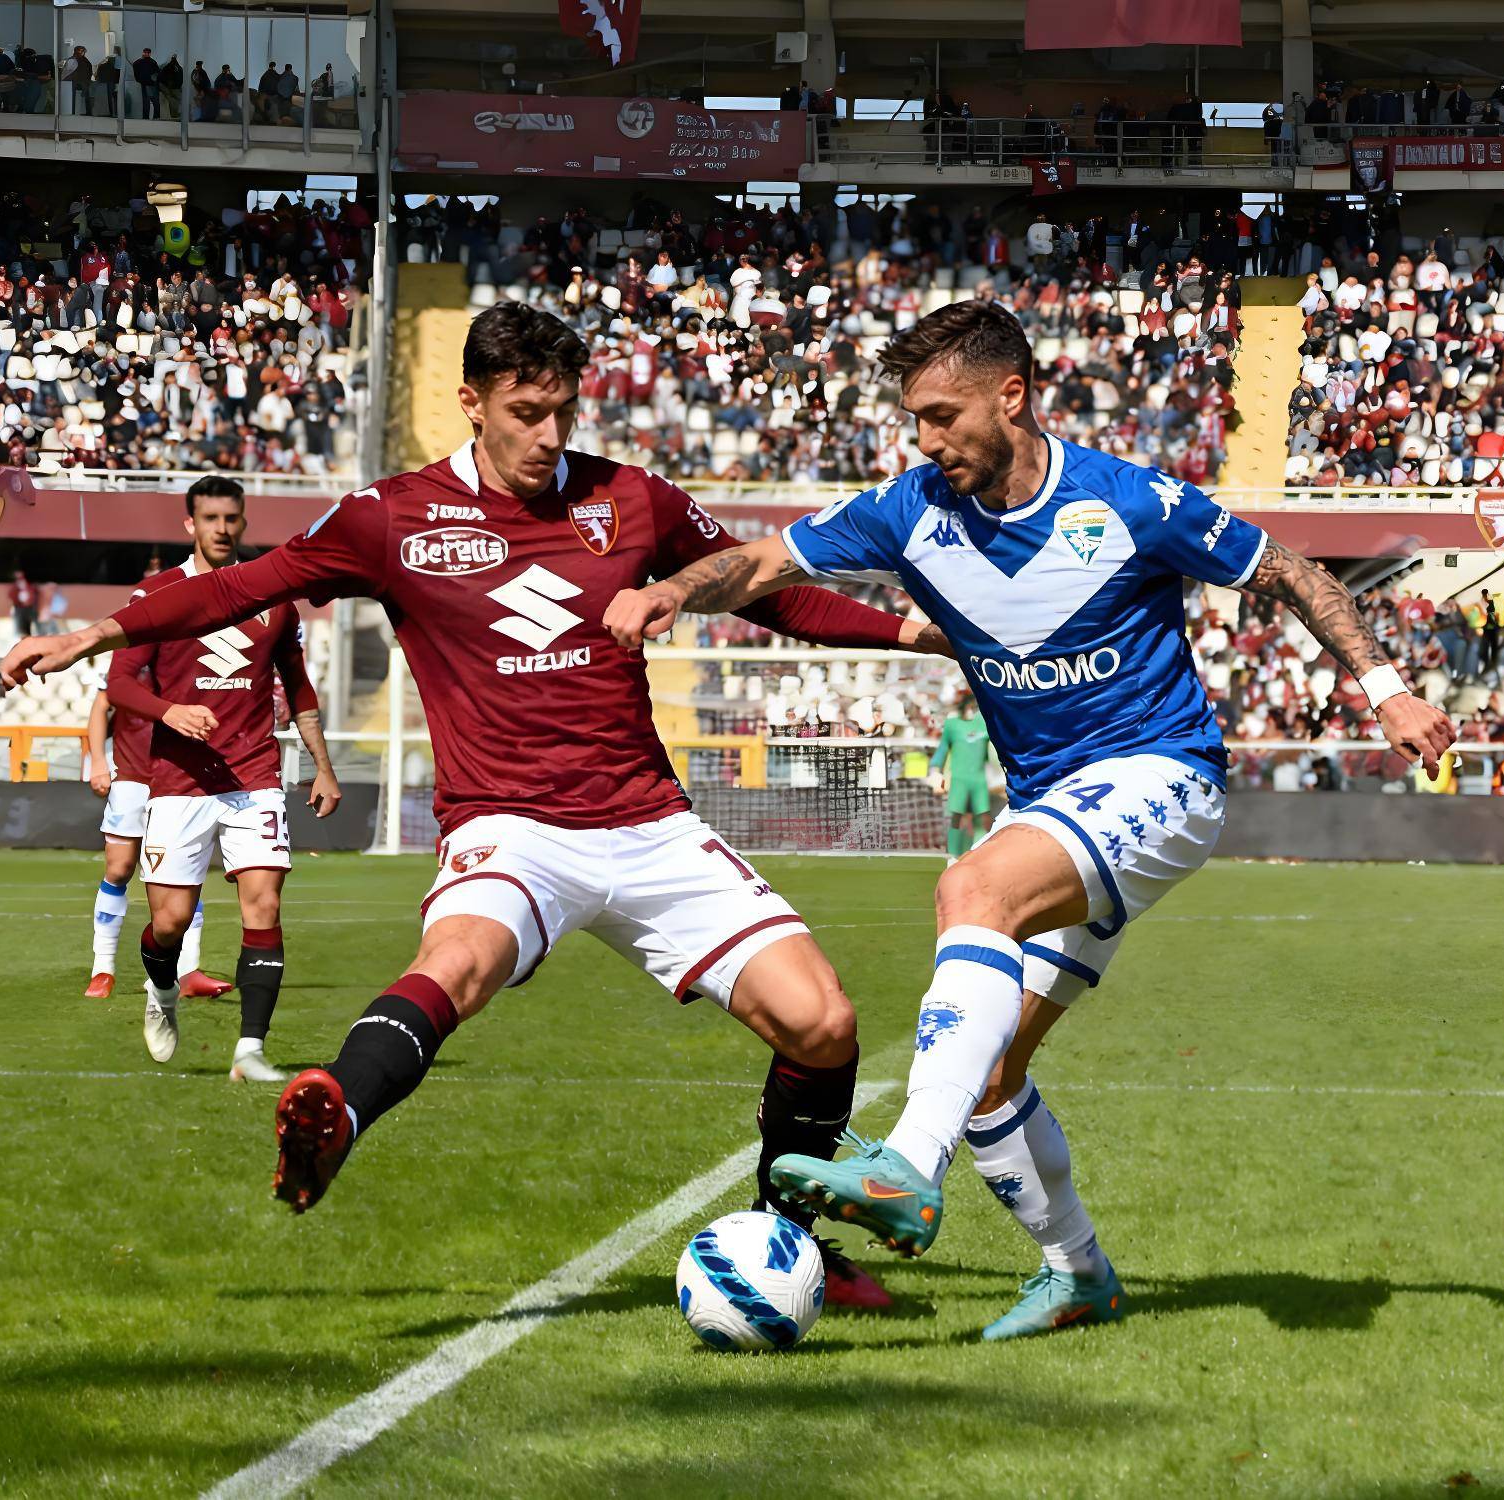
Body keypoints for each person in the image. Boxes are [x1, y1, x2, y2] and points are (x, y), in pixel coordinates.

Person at [0, 303, 949, 1311]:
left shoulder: (632, 497)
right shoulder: (389, 516)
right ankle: (337, 1112)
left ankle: (792, 1241)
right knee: (458, 962)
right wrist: (96, 635)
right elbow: (242, 586)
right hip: (509, 826)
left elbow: (765, 590)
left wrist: (917, 635)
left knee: (822, 1022)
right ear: (471, 402)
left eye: (564, 411)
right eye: (526, 412)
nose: (550, 434)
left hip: (649, 821)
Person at [605, 300, 1454, 1340]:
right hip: (1053, 805)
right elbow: (764, 563)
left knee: (973, 889)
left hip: (1161, 775)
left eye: (941, 415)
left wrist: (1385, 690)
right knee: (990, 1073)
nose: (926, 441)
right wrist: (673, 592)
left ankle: (908, 1165)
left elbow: (1289, 571)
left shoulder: (1128, 501)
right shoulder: (907, 510)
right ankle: (1079, 1275)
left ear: (1011, 397)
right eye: (914, 420)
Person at [102, 475, 342, 1081]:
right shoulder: (157, 595)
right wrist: (169, 712)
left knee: (264, 904)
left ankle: (249, 1051)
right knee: (170, 924)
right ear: (190, 524)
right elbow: (119, 684)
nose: (222, 528)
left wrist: (322, 766)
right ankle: (162, 992)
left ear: (243, 521)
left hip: (254, 775)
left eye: (231, 518)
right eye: (209, 518)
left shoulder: (273, 597)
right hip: (178, 782)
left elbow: (299, 686)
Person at [80, 673, 230, 1002]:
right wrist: (98, 761)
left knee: (182, 875)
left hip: (180, 779)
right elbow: (102, 703)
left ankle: (187, 971)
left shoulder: (192, 653)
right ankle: (103, 968)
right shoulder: (132, 655)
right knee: (119, 868)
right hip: (131, 776)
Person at [929, 693, 994, 863]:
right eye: (970, 706)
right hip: (959, 780)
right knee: (956, 818)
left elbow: (995, 750)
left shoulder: (985, 723)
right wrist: (935, 771)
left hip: (979, 780)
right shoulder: (952, 725)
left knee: (982, 819)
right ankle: (953, 856)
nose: (973, 710)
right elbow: (942, 750)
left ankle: (978, 857)